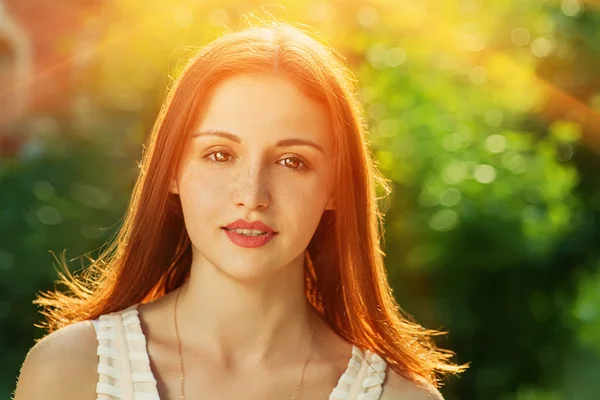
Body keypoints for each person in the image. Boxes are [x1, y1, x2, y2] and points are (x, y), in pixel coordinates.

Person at [13, 21, 464, 400]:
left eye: (292, 162)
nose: (252, 195)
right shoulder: (69, 373)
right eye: (219, 154)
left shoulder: (399, 397)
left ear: (335, 188)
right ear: (172, 170)